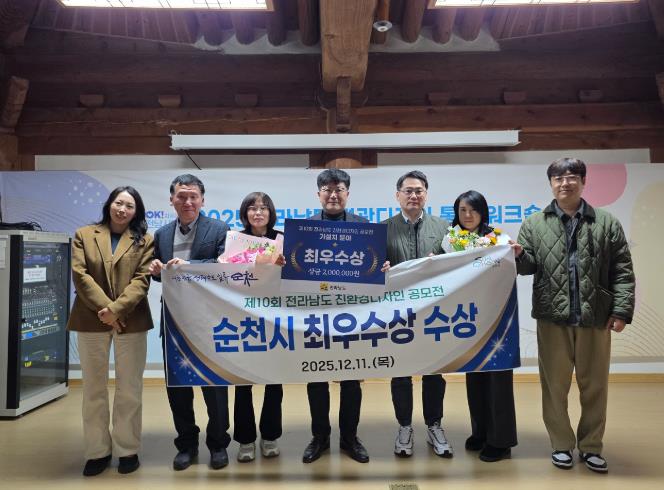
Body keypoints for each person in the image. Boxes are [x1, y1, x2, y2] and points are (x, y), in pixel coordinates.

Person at [511, 158, 635, 473]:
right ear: (551, 183)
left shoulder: (606, 222)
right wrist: (519, 256)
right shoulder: (534, 223)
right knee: (554, 386)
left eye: (572, 177)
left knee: (595, 386)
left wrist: (621, 310)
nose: (565, 183)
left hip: (596, 317)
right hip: (552, 317)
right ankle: (561, 445)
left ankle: (591, 447)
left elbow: (622, 270)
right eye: (558, 178)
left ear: (583, 181)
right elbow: (527, 268)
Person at [68, 186, 153, 476]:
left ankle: (127, 449)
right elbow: (80, 275)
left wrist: (116, 311)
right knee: (93, 388)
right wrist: (107, 310)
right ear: (109, 204)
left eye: (129, 206)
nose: (122, 209)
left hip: (131, 320)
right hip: (90, 318)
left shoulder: (145, 240)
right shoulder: (84, 234)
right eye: (119, 203)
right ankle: (97, 452)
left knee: (130, 388)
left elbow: (142, 280)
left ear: (136, 212)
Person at [149, 174, 231, 471]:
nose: (188, 201)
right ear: (172, 200)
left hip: (210, 321)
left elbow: (225, 268)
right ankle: (186, 444)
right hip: (174, 321)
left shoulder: (219, 229)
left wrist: (190, 265)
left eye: (193, 196)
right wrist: (155, 269)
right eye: (181, 196)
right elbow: (161, 275)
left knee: (215, 387)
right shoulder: (161, 234)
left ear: (202, 200)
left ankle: (218, 444)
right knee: (178, 389)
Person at [435, 190, 517, 463]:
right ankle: (481, 432)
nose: (468, 215)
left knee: (498, 380)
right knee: (475, 376)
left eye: (473, 210)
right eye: (462, 210)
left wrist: (518, 253)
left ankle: (501, 441)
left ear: (483, 212)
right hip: (469, 318)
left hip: (498, 317)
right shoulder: (450, 240)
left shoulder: (499, 239)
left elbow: (516, 267)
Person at [301, 168, 370, 464]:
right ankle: (320, 437)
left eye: (339, 189)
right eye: (327, 190)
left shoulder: (363, 226)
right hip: (316, 316)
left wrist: (380, 267)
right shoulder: (304, 228)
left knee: (351, 380)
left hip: (352, 316)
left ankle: (349, 438)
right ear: (318, 194)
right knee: (316, 379)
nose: (333, 195)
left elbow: (372, 267)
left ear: (347, 194)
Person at [383, 170, 452, 458]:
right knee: (400, 372)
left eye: (419, 191)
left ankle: (435, 425)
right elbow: (370, 269)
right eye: (408, 191)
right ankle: (404, 427)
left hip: (433, 312)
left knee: (434, 372)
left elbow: (456, 267)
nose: (413, 195)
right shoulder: (382, 229)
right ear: (397, 195)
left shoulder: (444, 227)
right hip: (396, 313)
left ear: (426, 194)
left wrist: (443, 262)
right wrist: (381, 268)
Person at [232, 192, 285, 462]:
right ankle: (245, 440)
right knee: (243, 383)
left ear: (270, 213)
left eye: (263, 208)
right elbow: (225, 274)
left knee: (274, 381)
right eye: (252, 208)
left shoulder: (282, 239)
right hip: (244, 317)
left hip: (276, 317)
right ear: (245, 214)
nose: (258, 213)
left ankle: (270, 436)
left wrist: (284, 265)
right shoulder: (235, 240)